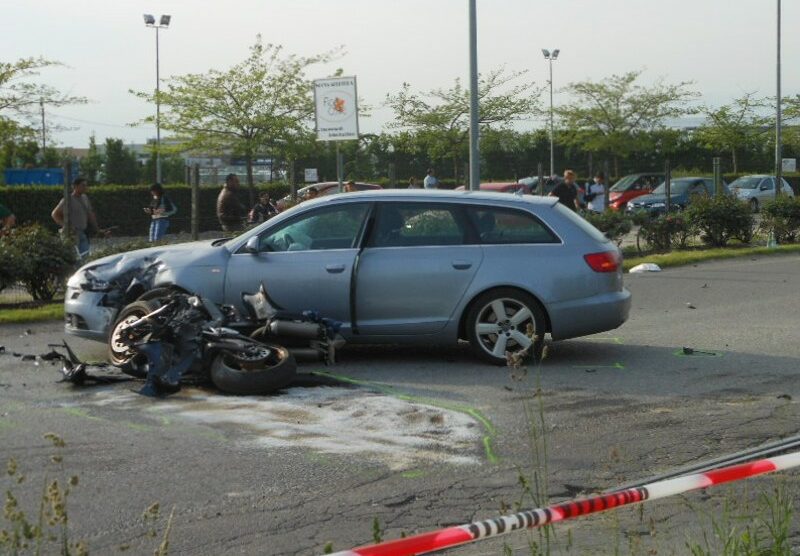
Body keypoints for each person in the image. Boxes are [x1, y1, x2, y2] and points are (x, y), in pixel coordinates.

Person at [51, 176, 107, 257]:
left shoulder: (85, 198)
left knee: (85, 256)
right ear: (75, 186)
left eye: (86, 185)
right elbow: (54, 214)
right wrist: (65, 226)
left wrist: (97, 229)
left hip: (83, 231)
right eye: (83, 185)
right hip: (72, 234)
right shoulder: (68, 200)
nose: (85, 187)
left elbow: (90, 214)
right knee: (73, 257)